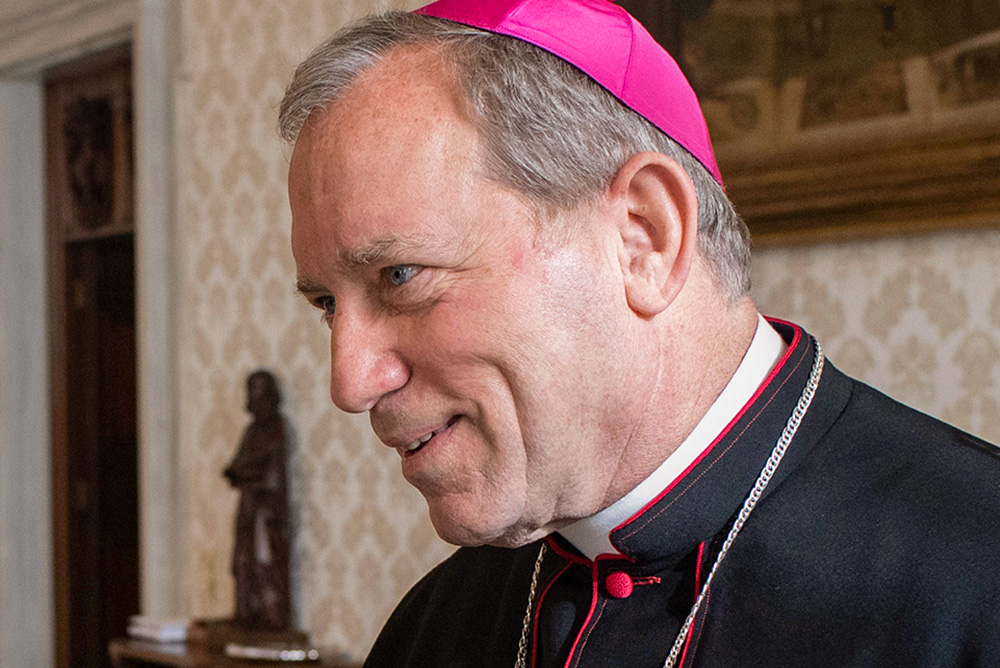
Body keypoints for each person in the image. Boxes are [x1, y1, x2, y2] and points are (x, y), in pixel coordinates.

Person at [278, 0, 1000, 665]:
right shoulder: (434, 627)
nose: (350, 380)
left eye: (400, 276)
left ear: (644, 238)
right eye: (327, 305)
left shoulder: (978, 577)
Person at [223, 369, 291, 631]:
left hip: (265, 511)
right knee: (242, 562)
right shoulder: (252, 430)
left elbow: (270, 472)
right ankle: (246, 613)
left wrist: (245, 472)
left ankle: (270, 617)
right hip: (249, 507)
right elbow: (239, 463)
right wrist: (239, 471)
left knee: (264, 564)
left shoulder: (276, 428)